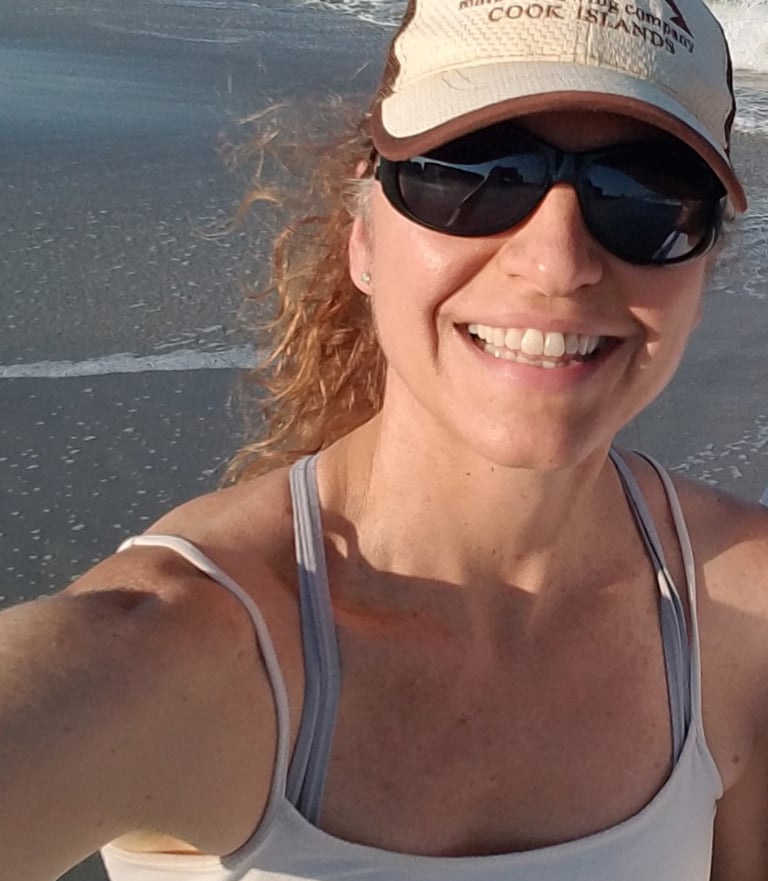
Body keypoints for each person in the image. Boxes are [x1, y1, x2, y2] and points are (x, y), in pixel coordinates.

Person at [3, 0, 766, 879]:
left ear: (704, 268)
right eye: (477, 173)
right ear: (362, 234)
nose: (557, 261)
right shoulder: (176, 655)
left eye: (643, 198)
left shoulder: (744, 623)